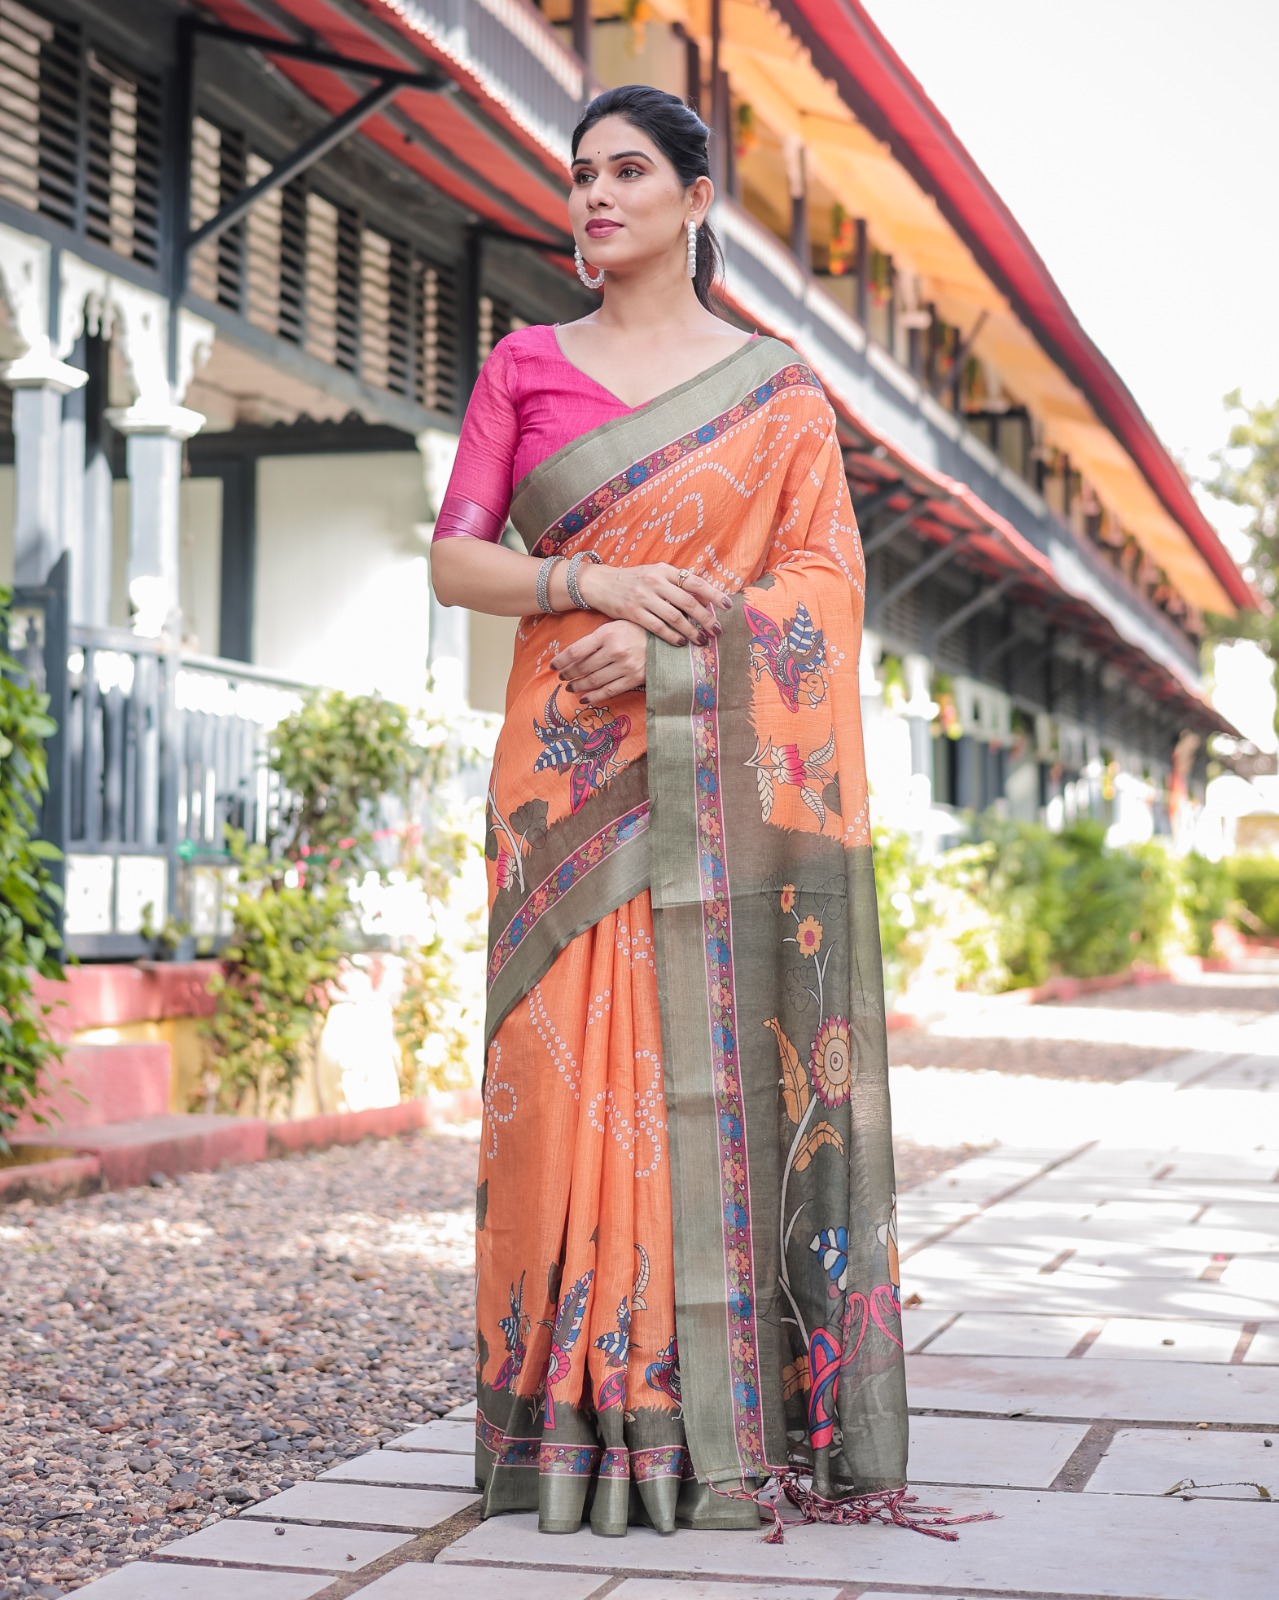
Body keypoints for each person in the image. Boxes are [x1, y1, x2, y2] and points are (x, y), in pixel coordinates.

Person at [431, 84, 978, 1544]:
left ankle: (707, 1421)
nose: (593, 196)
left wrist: (685, 640)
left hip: (708, 783)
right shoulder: (526, 365)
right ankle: (562, 1427)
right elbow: (456, 561)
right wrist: (592, 585)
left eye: (625, 172)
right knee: (558, 1097)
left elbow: (826, 590)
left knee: (705, 1077)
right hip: (561, 777)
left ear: (692, 197)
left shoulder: (777, 390)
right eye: (579, 176)